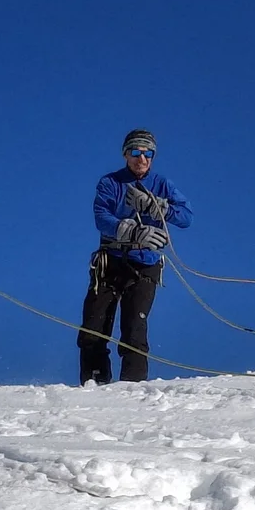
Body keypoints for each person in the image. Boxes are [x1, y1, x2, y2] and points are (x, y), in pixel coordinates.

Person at [79, 129, 192, 383]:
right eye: (135, 152)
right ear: (125, 154)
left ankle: (133, 387)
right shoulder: (110, 183)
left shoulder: (162, 185)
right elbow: (101, 216)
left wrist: (160, 206)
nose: (142, 159)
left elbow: (186, 217)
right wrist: (131, 230)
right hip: (110, 263)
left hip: (145, 266)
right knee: (93, 329)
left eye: (147, 153)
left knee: (134, 329)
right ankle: (93, 383)